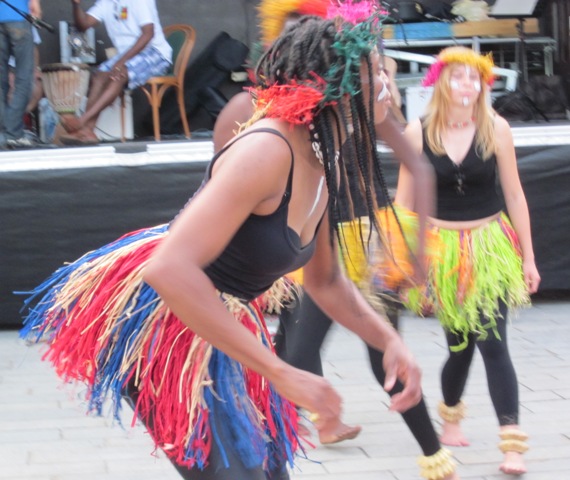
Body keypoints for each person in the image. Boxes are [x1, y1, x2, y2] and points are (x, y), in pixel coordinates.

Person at [21, 14, 423, 480]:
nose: (388, 84)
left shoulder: (322, 154)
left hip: (219, 320)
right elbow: (167, 271)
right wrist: (280, 371)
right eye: (376, 73)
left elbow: (326, 281)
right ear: (337, 84)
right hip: (167, 321)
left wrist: (388, 340)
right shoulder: (269, 151)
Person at [396, 46, 541, 476]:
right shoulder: (418, 132)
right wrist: (409, 268)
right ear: (441, 83)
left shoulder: (495, 128)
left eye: (474, 78)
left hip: (489, 247)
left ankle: (512, 443)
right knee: (459, 346)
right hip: (442, 253)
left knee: (493, 343)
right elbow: (404, 205)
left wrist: (529, 258)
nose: (467, 85)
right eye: (458, 77)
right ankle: (451, 414)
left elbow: (514, 194)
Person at [58, 0, 172, 145]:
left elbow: (148, 34)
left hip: (155, 51)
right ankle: (87, 131)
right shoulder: (106, 3)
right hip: (127, 53)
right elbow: (84, 25)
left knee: (118, 75)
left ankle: (82, 122)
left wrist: (121, 62)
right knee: (99, 76)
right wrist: (76, 5)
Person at [0, 0, 41, 148]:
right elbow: (34, 8)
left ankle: (3, 133)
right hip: (17, 16)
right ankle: (13, 133)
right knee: (24, 78)